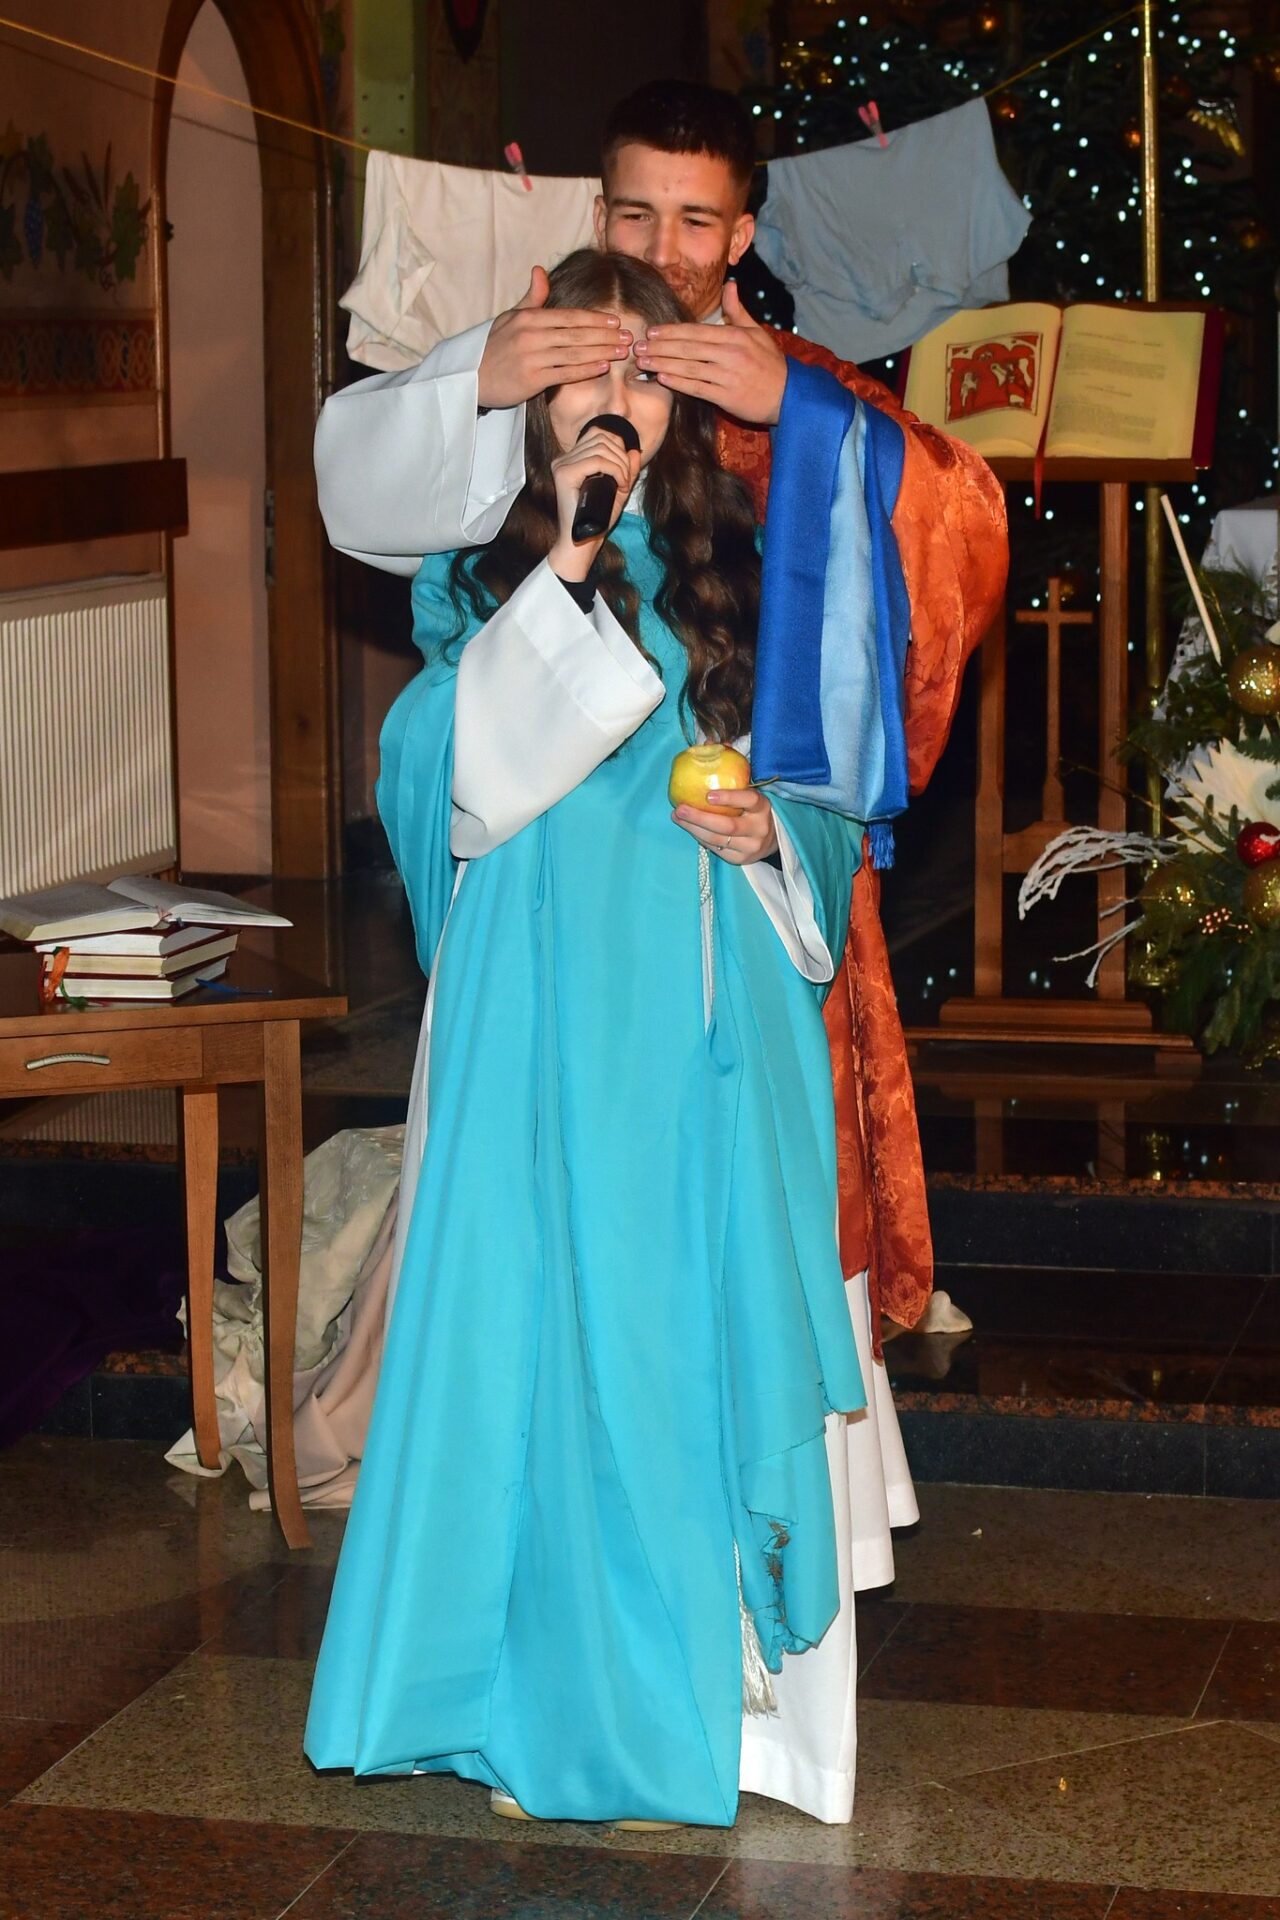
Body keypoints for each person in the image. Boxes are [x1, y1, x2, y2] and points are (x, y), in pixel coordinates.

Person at [304, 250, 876, 1829]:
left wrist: (773, 835)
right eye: (580, 372)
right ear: (531, 391)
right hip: (540, 1043)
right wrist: (563, 566)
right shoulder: (472, 576)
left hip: (700, 1041)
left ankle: (716, 1704)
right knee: (548, 1357)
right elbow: (443, 776)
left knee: (674, 1349)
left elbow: (830, 804)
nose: (612, 400)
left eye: (641, 375)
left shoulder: (734, 572)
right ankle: (552, 1705)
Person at [314, 81, 1007, 1367]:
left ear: (741, 235)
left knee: (745, 1247)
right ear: (598, 215)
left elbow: (961, 531)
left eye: (696, 222)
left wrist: (799, 412)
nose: (662, 250)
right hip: (552, 920)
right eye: (636, 215)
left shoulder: (792, 390)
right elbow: (362, 500)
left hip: (744, 893)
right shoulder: (537, 366)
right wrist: (481, 374)